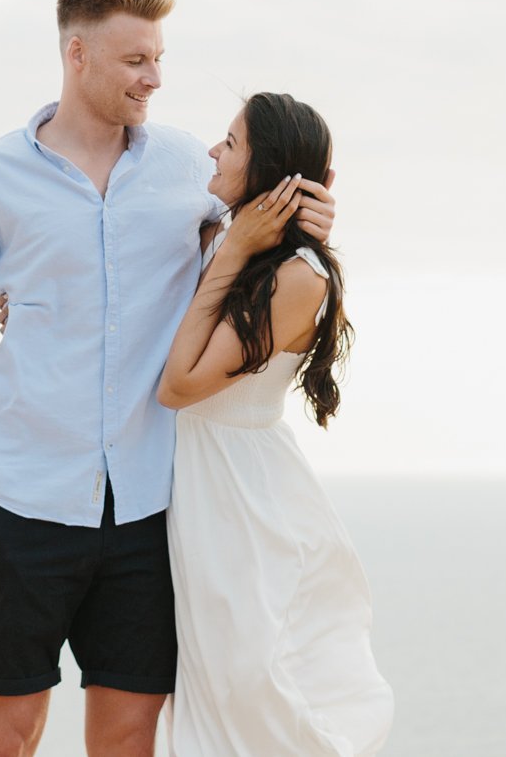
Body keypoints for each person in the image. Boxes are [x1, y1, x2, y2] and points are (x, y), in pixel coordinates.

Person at [0, 0, 339, 757]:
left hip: (148, 512)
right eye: (136, 58)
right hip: (21, 504)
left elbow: (254, 233)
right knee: (7, 733)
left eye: (159, 56)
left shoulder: (183, 166)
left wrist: (316, 212)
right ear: (77, 54)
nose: (155, 77)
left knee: (131, 739)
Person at [156, 91, 393, 755]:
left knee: (251, 686)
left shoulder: (297, 277)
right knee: (205, 692)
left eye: (229, 143)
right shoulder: (215, 230)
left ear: (269, 176)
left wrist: (235, 249)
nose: (212, 150)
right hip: (193, 483)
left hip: (242, 499)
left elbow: (179, 385)